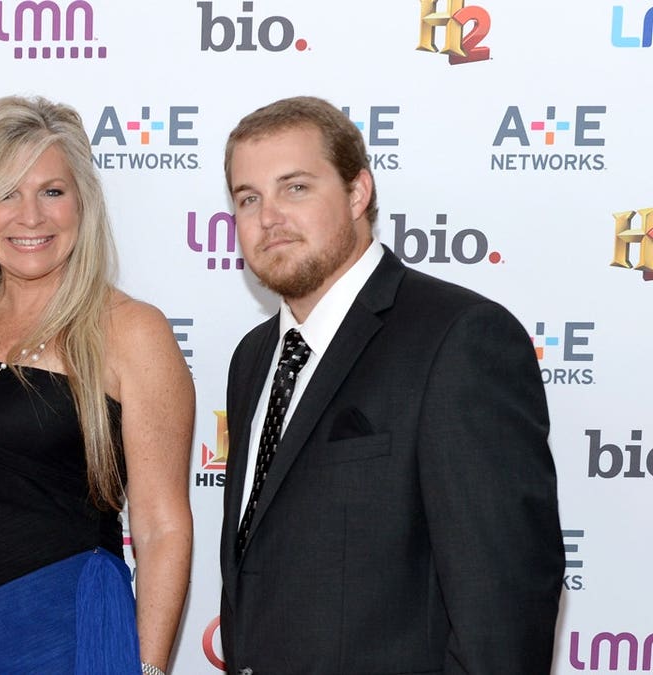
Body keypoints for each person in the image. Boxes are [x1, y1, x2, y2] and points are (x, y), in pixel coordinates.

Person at [218, 96, 564, 674]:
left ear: (358, 193)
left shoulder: (458, 340)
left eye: (295, 187)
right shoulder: (252, 359)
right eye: (248, 198)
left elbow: (505, 602)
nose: (268, 217)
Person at [0, 96, 194, 674]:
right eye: (6, 192)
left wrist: (150, 671)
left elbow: (161, 527)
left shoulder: (130, 330)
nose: (29, 216)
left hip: (67, 637)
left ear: (82, 203)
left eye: (51, 191)